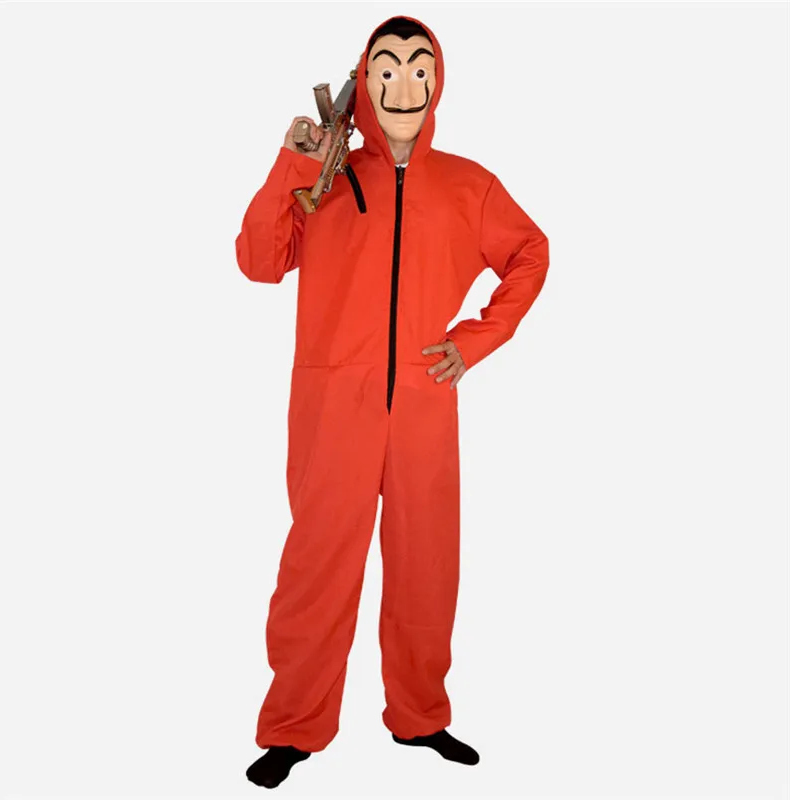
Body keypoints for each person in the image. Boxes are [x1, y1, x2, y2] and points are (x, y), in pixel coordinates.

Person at [236, 14, 549, 790]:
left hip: (422, 402)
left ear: (437, 81)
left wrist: (475, 339)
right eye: (385, 68)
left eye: (417, 68)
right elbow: (258, 262)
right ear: (362, 82)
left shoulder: (469, 186)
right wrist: (293, 162)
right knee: (316, 568)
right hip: (331, 406)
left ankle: (420, 717)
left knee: (425, 565)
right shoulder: (326, 177)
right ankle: (294, 727)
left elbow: (530, 252)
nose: (402, 83)